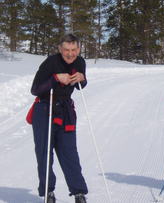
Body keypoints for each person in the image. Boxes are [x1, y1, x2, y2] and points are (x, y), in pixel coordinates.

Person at [29, 34, 88, 203]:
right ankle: (49, 192)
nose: (70, 54)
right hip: (45, 110)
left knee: (69, 152)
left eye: (74, 50)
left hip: (65, 111)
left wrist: (82, 79)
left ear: (78, 49)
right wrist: (55, 79)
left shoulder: (80, 62)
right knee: (44, 152)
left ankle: (79, 193)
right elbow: (35, 89)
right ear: (60, 49)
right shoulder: (50, 62)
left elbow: (80, 85)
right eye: (67, 50)